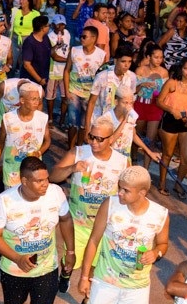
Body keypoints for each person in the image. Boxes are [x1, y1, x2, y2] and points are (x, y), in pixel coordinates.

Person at [0, 156, 74, 304]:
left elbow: (66, 219)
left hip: (46, 267)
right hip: (13, 268)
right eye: (39, 181)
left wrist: (70, 251)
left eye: (46, 179)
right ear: (24, 181)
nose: (46, 184)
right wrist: (17, 258)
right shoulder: (5, 201)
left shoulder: (55, 193)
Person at [79, 166, 169, 304]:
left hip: (136, 286)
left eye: (125, 190)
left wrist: (156, 252)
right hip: (105, 280)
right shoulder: (110, 205)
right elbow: (94, 240)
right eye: (119, 187)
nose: (119, 193)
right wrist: (85, 277)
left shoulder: (160, 214)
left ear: (142, 192)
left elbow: (163, 243)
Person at [49, 115, 129, 291]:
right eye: (91, 136)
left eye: (99, 139)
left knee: (95, 263)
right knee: (70, 260)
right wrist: (71, 168)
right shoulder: (77, 153)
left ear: (111, 139)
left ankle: (88, 293)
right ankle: (65, 275)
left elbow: (127, 193)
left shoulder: (122, 162)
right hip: (78, 223)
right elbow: (53, 176)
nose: (93, 142)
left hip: (103, 225)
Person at [157, 58, 187, 197]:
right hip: (170, 120)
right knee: (167, 154)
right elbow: (159, 101)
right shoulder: (172, 83)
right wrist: (172, 110)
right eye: (186, 68)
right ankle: (162, 183)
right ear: (181, 69)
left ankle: (179, 184)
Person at [0, 82, 50, 188]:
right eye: (33, 99)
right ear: (22, 100)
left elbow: (47, 141)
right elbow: (0, 144)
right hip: (11, 169)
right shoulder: (8, 118)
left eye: (38, 99)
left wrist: (39, 152)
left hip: (33, 171)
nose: (37, 102)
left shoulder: (42, 118)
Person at [63, 26, 104, 148]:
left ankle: (79, 147)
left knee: (84, 124)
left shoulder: (101, 55)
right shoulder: (74, 50)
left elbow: (102, 76)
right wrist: (67, 92)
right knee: (72, 122)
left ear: (93, 38)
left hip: (90, 94)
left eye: (84, 36)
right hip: (74, 91)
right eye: (81, 36)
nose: (81, 38)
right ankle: (70, 148)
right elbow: (67, 71)